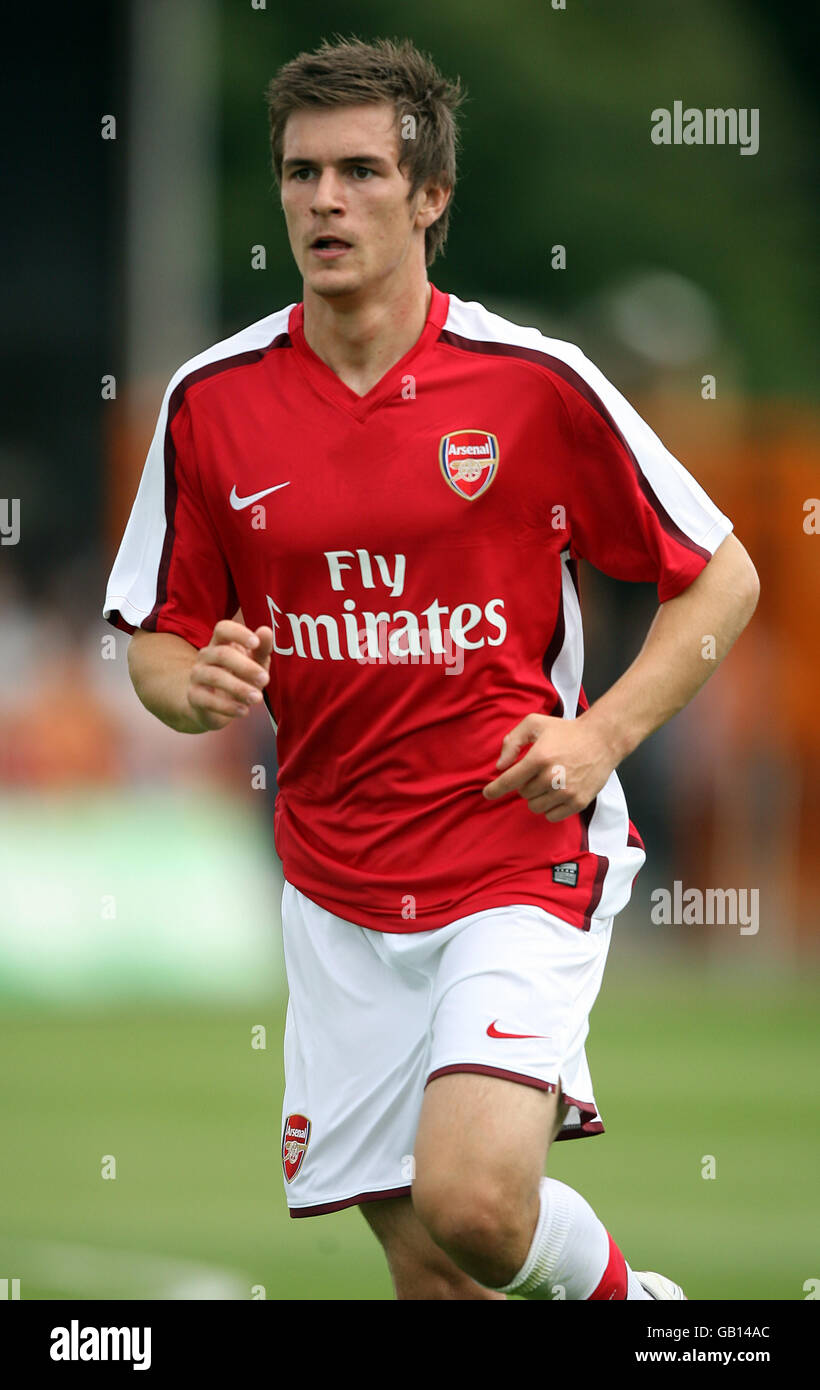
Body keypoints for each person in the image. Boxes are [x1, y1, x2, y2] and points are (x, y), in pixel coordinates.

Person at [103, 36, 759, 1301]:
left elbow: (722, 574)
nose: (323, 201)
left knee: (474, 1198)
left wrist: (601, 736)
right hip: (336, 880)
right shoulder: (211, 400)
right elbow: (159, 643)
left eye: (358, 171)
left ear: (430, 195)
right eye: (301, 173)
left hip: (516, 845)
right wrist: (191, 686)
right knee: (436, 1265)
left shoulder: (531, 384)